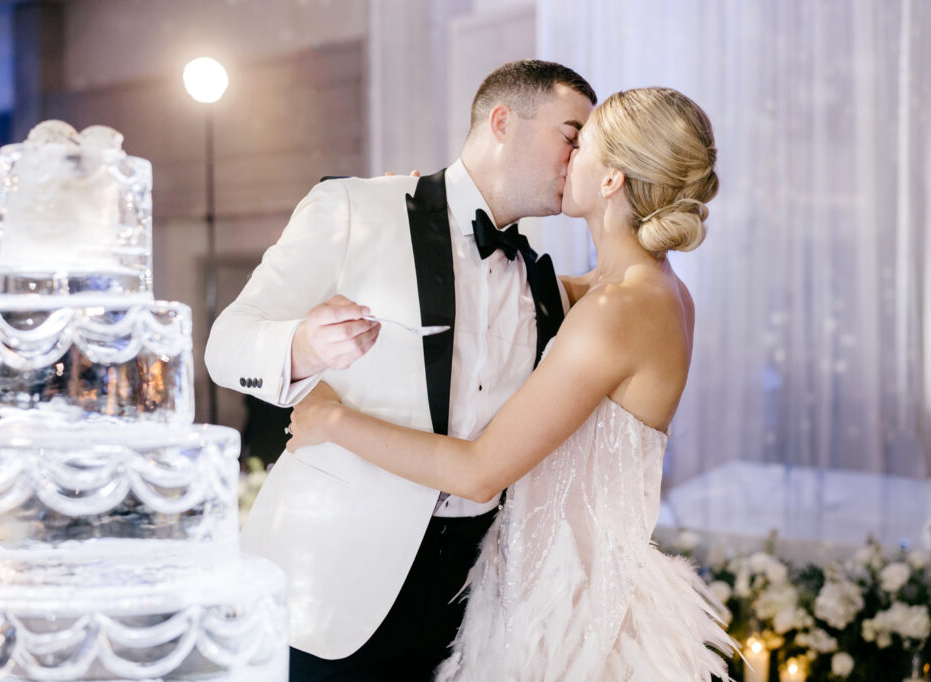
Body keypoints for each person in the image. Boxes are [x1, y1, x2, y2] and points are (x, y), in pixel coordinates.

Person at [287, 87, 736, 680]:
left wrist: (330, 421)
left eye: (579, 145)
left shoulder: (619, 310)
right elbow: (522, 295)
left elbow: (479, 473)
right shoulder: (652, 291)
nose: (565, 158)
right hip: (565, 590)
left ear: (610, 181)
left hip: (566, 626)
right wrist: (421, 224)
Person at [204, 60, 596, 679]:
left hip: (468, 601)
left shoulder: (544, 284)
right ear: (502, 122)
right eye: (571, 136)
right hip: (330, 582)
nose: (578, 160)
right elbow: (225, 344)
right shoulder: (355, 207)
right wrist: (303, 346)